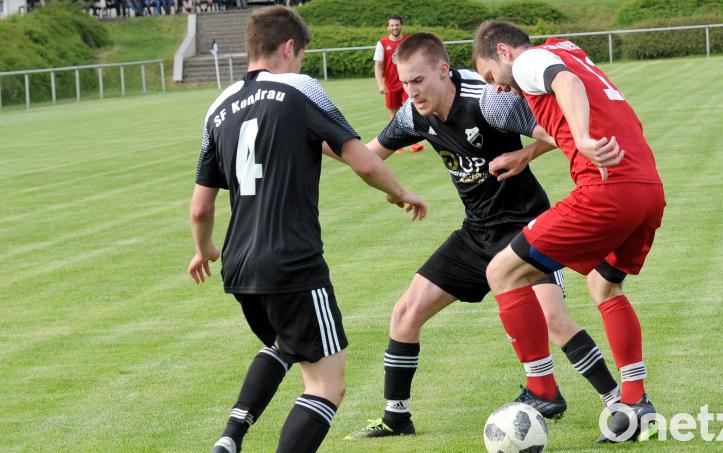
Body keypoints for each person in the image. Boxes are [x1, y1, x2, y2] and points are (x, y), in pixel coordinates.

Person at [333, 33, 621, 440]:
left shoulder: (488, 99)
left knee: (554, 320)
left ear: (442, 69)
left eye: (418, 80)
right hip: (476, 232)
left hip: (525, 225)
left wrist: (524, 154)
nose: (410, 91)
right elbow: (366, 157)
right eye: (404, 82)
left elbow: (559, 133)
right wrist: (317, 139)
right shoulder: (413, 116)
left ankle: (619, 404)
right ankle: (396, 417)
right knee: (405, 312)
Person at [188, 7, 427, 453]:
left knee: (284, 344)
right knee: (326, 385)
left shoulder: (217, 107)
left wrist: (204, 251)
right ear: (288, 48)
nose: (300, 65)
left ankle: (229, 439)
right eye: (300, 56)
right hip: (292, 261)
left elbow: (202, 207)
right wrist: (400, 192)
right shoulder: (301, 88)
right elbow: (361, 159)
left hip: (240, 266)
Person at [472, 21, 665, 443]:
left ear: (503, 51)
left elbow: (566, 84)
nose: (497, 88)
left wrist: (582, 138)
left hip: (606, 189)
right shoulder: (566, 47)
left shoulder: (526, 62)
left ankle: (542, 388)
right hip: (647, 189)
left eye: (490, 76)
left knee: (502, 272)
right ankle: (635, 403)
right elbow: (571, 86)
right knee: (604, 286)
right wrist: (528, 151)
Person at [373, 14, 424, 153]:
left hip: (408, 83)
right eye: (392, 25)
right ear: (388, 27)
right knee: (394, 113)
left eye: (397, 25)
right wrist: (380, 84)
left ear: (401, 25)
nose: (395, 27)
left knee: (412, 111)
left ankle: (414, 143)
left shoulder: (408, 41)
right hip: (391, 85)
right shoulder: (382, 43)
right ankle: (397, 144)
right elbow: (378, 65)